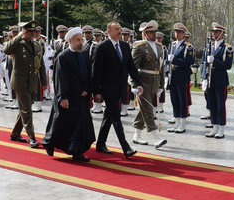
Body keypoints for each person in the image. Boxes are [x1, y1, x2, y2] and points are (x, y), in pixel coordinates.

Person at [42, 27, 96, 161]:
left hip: (82, 98)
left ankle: (77, 151)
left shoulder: (84, 55)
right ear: (70, 41)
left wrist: (88, 89)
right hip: (69, 98)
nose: (80, 43)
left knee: (81, 126)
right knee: (61, 123)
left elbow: (88, 75)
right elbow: (61, 79)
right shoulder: (63, 57)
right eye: (77, 40)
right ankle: (50, 143)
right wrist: (63, 97)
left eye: (81, 40)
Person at [91, 21, 144, 158]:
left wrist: (138, 83)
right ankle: (126, 147)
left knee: (109, 115)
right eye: (116, 29)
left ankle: (100, 143)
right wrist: (96, 91)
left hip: (120, 88)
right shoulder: (102, 47)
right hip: (107, 88)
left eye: (120, 29)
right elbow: (96, 71)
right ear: (108, 32)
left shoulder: (125, 46)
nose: (120, 31)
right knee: (116, 117)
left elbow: (131, 67)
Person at [3, 20, 45, 148]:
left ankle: (15, 134)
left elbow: (41, 64)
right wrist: (18, 36)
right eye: (30, 31)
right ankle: (31, 137)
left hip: (32, 81)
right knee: (27, 110)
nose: (33, 33)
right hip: (19, 82)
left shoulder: (37, 45)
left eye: (35, 31)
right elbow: (6, 50)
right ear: (25, 31)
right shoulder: (17, 43)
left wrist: (44, 82)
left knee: (23, 110)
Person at [130, 20, 168, 148]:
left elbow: (161, 68)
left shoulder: (159, 47)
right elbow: (132, 68)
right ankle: (156, 138)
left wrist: (161, 86)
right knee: (148, 110)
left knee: (144, 109)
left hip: (154, 83)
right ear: (145, 34)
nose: (154, 34)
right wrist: (134, 85)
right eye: (151, 32)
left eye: (155, 31)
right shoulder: (139, 47)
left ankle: (136, 135)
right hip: (143, 83)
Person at [203, 23, 234, 140]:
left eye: (216, 32)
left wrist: (215, 61)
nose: (214, 34)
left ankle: (221, 128)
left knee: (220, 105)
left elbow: (228, 65)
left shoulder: (227, 48)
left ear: (221, 33)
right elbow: (204, 64)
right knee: (212, 103)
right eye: (213, 32)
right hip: (210, 79)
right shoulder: (209, 46)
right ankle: (214, 126)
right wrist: (204, 78)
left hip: (220, 80)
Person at [166, 23, 195, 133]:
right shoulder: (171, 45)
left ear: (183, 34)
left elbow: (189, 62)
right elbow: (167, 62)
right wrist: (166, 73)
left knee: (183, 100)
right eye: (176, 32)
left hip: (182, 76)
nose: (177, 34)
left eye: (179, 32)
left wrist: (175, 60)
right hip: (172, 75)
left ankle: (182, 123)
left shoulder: (188, 47)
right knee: (174, 100)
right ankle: (176, 121)